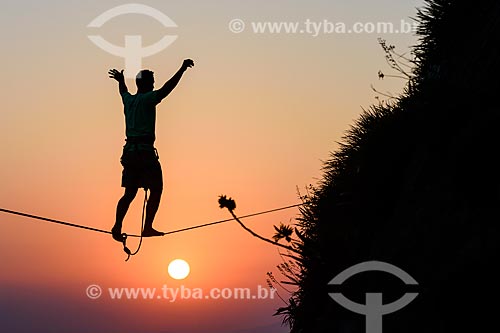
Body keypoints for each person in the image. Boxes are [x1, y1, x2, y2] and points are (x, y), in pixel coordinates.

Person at [108, 59, 194, 242]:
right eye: (152, 81)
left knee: (129, 193)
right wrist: (182, 69)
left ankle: (116, 226)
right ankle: (147, 227)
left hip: (129, 153)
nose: (154, 84)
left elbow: (123, 91)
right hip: (144, 154)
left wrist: (121, 80)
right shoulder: (148, 99)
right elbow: (167, 89)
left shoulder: (129, 101)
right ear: (145, 83)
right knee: (156, 189)